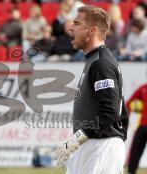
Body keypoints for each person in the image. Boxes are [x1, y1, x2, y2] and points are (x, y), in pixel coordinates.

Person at [54, 5, 129, 174]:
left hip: (100, 145)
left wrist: (80, 138)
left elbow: (109, 112)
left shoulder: (101, 63)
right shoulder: (94, 60)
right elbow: (118, 108)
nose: (71, 28)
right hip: (95, 143)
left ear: (92, 30)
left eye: (77, 23)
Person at [126, 83, 147, 174]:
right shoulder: (143, 88)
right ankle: (131, 171)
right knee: (135, 150)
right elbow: (128, 103)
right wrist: (126, 117)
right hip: (143, 126)